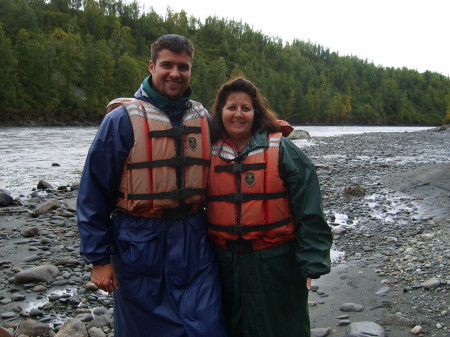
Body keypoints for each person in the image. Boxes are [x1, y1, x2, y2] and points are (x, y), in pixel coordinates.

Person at [77, 34, 227, 337]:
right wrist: (98, 259)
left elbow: (235, 148)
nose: (175, 74)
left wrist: (270, 132)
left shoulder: (203, 118)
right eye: (167, 65)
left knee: (207, 327)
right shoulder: (121, 120)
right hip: (139, 243)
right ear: (151, 65)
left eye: (183, 67)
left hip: (194, 242)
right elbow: (93, 193)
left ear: (190, 71)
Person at [206, 77, 333, 337]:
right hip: (224, 264)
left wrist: (311, 260)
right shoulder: (207, 152)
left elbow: (309, 208)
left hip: (276, 263)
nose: (238, 114)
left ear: (256, 113)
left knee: (282, 328)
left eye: (245, 108)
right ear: (220, 112)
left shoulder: (282, 149)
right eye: (231, 107)